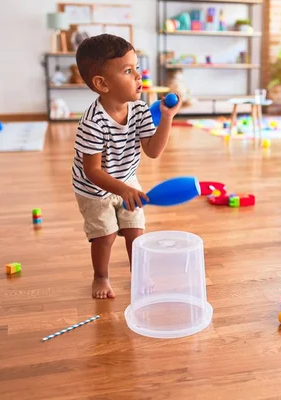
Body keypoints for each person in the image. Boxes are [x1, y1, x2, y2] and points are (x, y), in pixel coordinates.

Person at [71, 34, 181, 299]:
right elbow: (92, 171)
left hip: (126, 178)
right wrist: (121, 189)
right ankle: (101, 276)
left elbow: (153, 151)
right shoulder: (92, 123)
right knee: (104, 235)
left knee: (135, 230)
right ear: (102, 83)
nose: (138, 76)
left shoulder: (141, 111)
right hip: (94, 188)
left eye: (137, 68)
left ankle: (139, 274)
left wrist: (166, 118)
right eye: (128, 71)